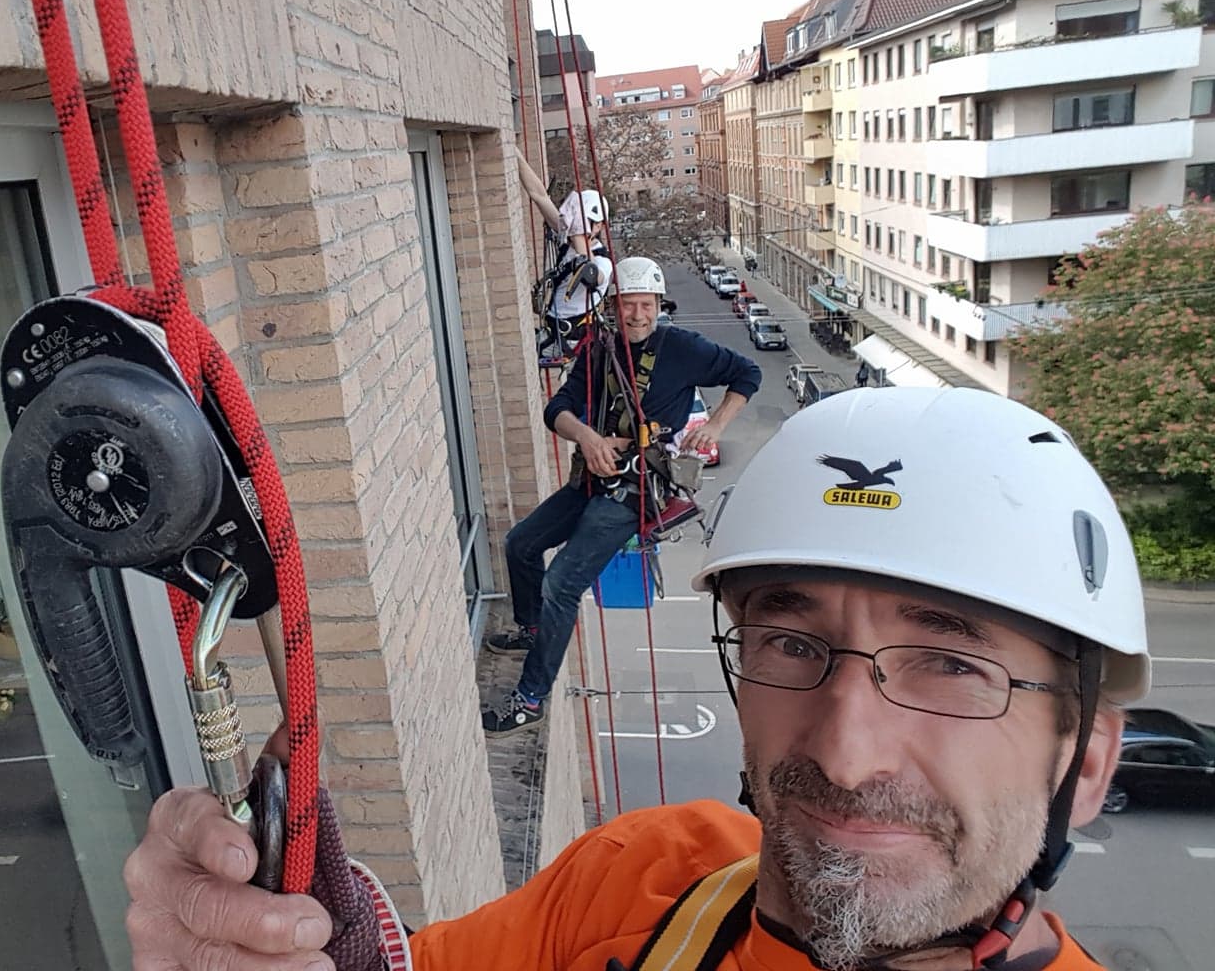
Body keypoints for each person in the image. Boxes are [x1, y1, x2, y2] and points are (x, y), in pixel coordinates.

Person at [122, 387, 1147, 971]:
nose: (844, 748)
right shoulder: (643, 883)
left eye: (953, 664)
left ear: (1086, 762)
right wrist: (285, 928)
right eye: (793, 645)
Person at [481, 253, 762, 737]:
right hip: (593, 475)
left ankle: (530, 700)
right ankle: (533, 632)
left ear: (658, 304)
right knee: (521, 545)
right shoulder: (598, 352)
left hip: (635, 491)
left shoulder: (682, 348)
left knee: (561, 584)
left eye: (646, 304)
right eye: (628, 304)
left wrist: (713, 426)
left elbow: (747, 374)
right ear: (614, 307)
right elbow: (558, 409)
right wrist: (587, 439)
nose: (638, 314)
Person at [516, 149, 612, 361]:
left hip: (571, 340)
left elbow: (592, 274)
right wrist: (515, 153)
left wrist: (577, 229)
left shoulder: (602, 262)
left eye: (583, 222)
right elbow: (539, 195)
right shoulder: (567, 242)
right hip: (552, 332)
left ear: (599, 226)